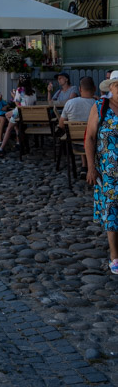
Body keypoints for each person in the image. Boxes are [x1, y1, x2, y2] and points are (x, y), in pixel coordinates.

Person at [84, 71, 118, 276]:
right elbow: (89, 139)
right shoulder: (101, 107)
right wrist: (90, 167)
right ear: (111, 87)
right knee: (112, 210)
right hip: (108, 171)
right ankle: (115, 256)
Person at [0, 74, 37, 156]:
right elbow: (34, 103)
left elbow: (18, 104)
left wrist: (14, 96)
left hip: (20, 112)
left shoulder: (20, 90)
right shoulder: (33, 91)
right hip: (29, 113)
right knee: (7, 115)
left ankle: (1, 148)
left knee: (8, 128)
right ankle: (17, 130)